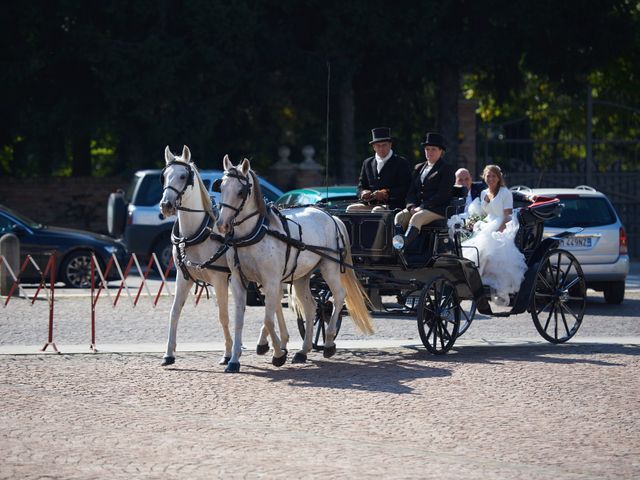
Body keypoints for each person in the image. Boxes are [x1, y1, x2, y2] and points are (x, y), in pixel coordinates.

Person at [461, 164, 528, 305]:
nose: (490, 178)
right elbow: (484, 214)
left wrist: (498, 231)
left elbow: (508, 216)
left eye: (493, 176)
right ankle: (473, 281)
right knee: (470, 248)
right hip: (487, 223)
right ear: (484, 177)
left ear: (498, 178)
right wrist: (474, 223)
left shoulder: (505, 193)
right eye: (488, 176)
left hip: (504, 224)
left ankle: (486, 283)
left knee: (488, 249)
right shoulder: (484, 193)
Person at [393, 132, 455, 250]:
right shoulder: (419, 167)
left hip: (437, 209)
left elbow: (443, 194)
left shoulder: (446, 168)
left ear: (441, 151)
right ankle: (397, 243)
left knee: (417, 218)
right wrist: (411, 207)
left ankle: (402, 247)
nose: (429, 152)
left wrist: (422, 206)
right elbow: (411, 192)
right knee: (399, 217)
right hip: (418, 208)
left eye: (433, 149)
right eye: (427, 149)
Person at [346, 127, 412, 212]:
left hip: (393, 205)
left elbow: (406, 188)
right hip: (371, 204)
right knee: (351, 209)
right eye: (378, 146)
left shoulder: (401, 162)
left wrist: (386, 193)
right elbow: (360, 186)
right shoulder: (367, 163)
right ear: (374, 147)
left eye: (384, 145)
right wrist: (363, 192)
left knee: (377, 210)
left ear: (390, 145)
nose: (381, 149)